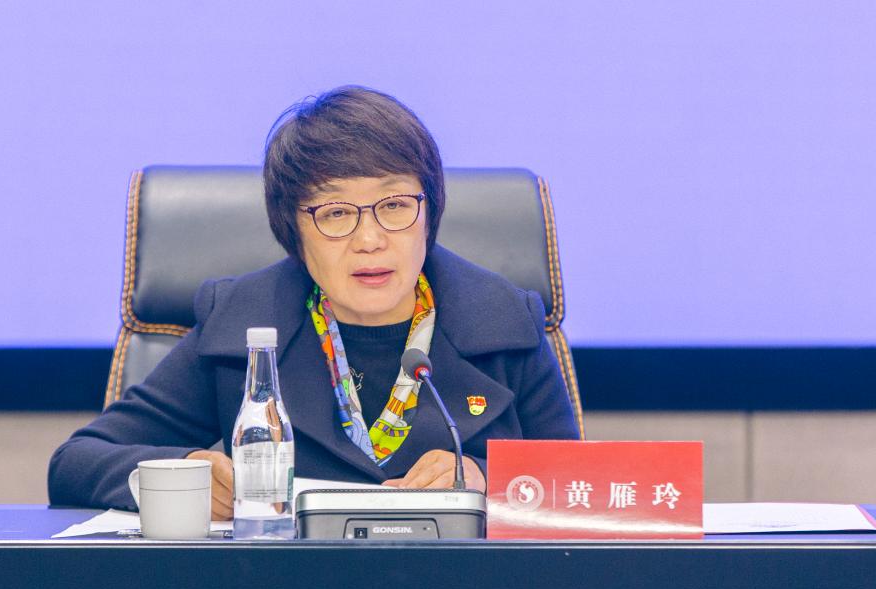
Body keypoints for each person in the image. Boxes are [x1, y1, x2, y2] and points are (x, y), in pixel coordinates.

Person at [48, 86, 579, 519]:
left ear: (430, 212)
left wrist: (489, 479)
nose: (369, 240)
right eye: (335, 213)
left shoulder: (506, 322)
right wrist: (184, 476)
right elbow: (75, 462)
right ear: (293, 231)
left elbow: (582, 486)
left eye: (395, 205)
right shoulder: (241, 323)